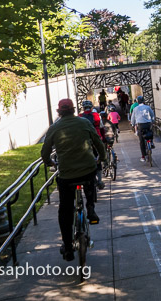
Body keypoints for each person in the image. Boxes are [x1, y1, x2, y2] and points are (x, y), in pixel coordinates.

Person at [41, 98, 106, 261]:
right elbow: (97, 142)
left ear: (59, 111)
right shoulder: (84, 123)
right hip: (87, 169)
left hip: (67, 174)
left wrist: (50, 162)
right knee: (90, 185)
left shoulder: (54, 128)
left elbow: (45, 151)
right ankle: (90, 209)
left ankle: (68, 247)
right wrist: (102, 157)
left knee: (64, 210)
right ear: (73, 110)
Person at [79, 100, 106, 190]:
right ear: (91, 108)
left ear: (83, 108)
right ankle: (100, 181)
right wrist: (103, 138)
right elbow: (101, 128)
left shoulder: (80, 117)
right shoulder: (96, 116)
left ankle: (89, 177)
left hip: (84, 142)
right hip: (96, 140)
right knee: (98, 159)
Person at [130, 95, 156, 163]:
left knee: (141, 141)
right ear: (143, 101)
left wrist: (133, 124)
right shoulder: (147, 107)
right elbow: (152, 115)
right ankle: (151, 142)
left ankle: (143, 156)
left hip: (140, 125)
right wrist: (152, 121)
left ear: (137, 101)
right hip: (148, 123)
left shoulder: (135, 109)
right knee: (150, 133)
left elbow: (133, 118)